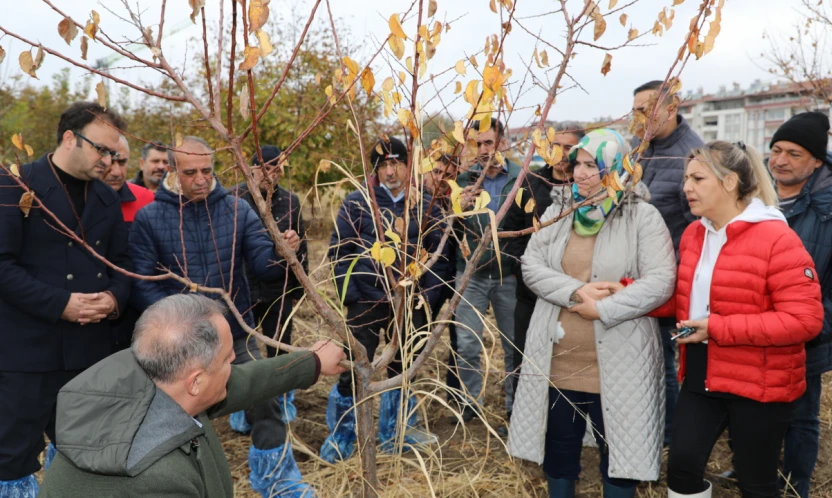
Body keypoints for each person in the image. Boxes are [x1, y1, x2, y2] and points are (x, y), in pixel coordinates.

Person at [129, 136, 308, 496]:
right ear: (172, 171)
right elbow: (145, 282)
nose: (200, 179)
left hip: (233, 334)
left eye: (207, 171)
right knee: (173, 419)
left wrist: (283, 252)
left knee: (265, 402)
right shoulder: (151, 217)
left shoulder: (237, 209)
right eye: (190, 172)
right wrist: (175, 330)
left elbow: (263, 264)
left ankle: (278, 480)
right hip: (178, 344)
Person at [39, 294, 346, 497]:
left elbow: (240, 382)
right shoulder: (158, 481)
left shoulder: (146, 378)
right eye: (227, 359)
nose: (234, 364)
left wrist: (311, 363)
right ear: (196, 381)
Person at [508, 129, 676, 498]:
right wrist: (575, 291)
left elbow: (661, 281)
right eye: (578, 164)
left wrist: (603, 309)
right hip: (559, 363)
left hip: (620, 365)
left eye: (592, 165)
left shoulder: (642, 217)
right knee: (559, 454)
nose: (580, 173)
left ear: (619, 168)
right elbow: (531, 265)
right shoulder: (558, 211)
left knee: (618, 459)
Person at [658, 141, 823, 498]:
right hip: (701, 369)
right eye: (687, 178)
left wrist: (717, 328)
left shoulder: (777, 238)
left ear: (730, 181)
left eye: (698, 178)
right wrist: (626, 294)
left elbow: (805, 320)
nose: (686, 186)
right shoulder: (695, 233)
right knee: (682, 467)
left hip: (760, 379)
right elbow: (682, 296)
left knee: (756, 481)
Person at [0, 102, 132, 497]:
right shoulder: (16, 185)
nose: (109, 161)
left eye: (114, 153)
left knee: (81, 450)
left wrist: (113, 298)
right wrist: (61, 303)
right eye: (101, 150)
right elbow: (2, 267)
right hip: (27, 353)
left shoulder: (108, 200)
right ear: (70, 138)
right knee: (12, 457)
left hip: (87, 354)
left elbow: (123, 265)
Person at [324, 136, 447, 463]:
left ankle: (396, 433)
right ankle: (344, 436)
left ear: (408, 165)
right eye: (383, 165)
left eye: (396, 163)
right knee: (353, 368)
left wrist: (426, 298)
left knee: (405, 367)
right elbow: (340, 250)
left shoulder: (426, 203)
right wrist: (351, 295)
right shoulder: (358, 201)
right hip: (365, 301)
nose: (390, 172)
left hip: (410, 302)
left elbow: (439, 255)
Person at [632, 80, 705, 445]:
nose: (639, 119)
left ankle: (669, 438)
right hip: (633, 278)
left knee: (663, 365)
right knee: (641, 363)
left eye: (646, 110)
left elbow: (698, 229)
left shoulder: (692, 157)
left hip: (669, 283)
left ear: (672, 107)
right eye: (635, 112)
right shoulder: (638, 149)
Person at [503, 122, 585, 400]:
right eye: (556, 146)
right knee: (525, 357)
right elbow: (509, 232)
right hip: (531, 293)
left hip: (577, 294)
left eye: (569, 147)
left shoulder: (588, 186)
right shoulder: (529, 183)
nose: (562, 154)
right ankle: (520, 414)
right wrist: (522, 270)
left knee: (569, 359)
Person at [231, 145, 308, 435]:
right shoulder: (233, 198)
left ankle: (281, 402)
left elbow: (302, 245)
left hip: (279, 288)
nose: (270, 174)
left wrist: (300, 286)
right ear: (250, 168)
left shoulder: (290, 202)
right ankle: (243, 405)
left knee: (280, 346)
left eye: (276, 168)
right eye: (264, 167)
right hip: (243, 289)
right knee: (244, 352)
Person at [453, 118, 520, 424]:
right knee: (467, 344)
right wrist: (459, 208)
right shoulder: (464, 180)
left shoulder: (520, 178)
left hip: (509, 276)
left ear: (502, 143)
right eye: (477, 143)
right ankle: (470, 403)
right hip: (472, 275)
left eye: (488, 142)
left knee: (514, 346)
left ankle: (515, 407)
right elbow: (446, 230)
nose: (482, 149)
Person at [105, 135, 156, 352]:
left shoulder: (145, 200)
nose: (116, 172)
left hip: (138, 317)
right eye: (109, 163)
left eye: (122, 162)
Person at [423, 154, 464, 403]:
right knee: (417, 334)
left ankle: (455, 393)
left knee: (460, 337)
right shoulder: (418, 203)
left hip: (457, 276)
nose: (441, 179)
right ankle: (409, 391)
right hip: (427, 280)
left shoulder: (461, 203)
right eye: (436, 172)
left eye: (448, 175)